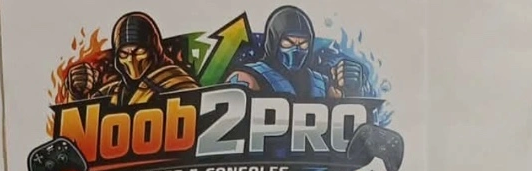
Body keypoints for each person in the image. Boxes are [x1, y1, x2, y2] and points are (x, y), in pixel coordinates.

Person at [226, 5, 367, 99]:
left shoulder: (320, 83)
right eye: (288, 42)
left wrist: (351, 90)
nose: (296, 49)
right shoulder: (249, 77)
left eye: (303, 43)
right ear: (274, 40)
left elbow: (346, 115)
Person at [66, 12, 198, 105]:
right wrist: (77, 94)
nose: (131, 60)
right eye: (124, 54)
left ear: (153, 51)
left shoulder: (176, 83)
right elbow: (81, 124)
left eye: (139, 51)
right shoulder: (112, 92)